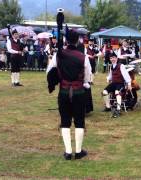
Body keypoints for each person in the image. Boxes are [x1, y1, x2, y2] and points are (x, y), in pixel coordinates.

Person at [47, 27, 92, 160]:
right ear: (78, 41)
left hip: (64, 91)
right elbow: (87, 78)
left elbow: (50, 72)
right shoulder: (83, 57)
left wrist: (56, 80)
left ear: (66, 40)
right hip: (79, 92)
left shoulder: (58, 55)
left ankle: (68, 152)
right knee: (79, 121)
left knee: (65, 121)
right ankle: (78, 152)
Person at [102, 52, 132, 118]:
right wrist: (108, 79)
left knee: (117, 92)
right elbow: (110, 75)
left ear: (116, 58)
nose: (112, 59)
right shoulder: (111, 66)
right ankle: (108, 107)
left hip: (121, 84)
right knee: (104, 92)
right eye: (111, 58)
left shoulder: (121, 66)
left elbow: (126, 76)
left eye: (113, 58)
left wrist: (129, 84)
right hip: (113, 83)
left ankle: (118, 109)